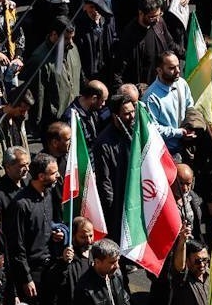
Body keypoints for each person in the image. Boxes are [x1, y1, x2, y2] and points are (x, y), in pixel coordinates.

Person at [3, 152, 61, 305]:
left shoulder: (48, 195)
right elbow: (17, 246)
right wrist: (26, 278)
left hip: (49, 267)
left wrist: (54, 233)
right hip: (31, 272)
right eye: (54, 173)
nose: (58, 175)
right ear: (41, 176)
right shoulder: (21, 205)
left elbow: (43, 226)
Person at [22, 16, 81, 135]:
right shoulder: (39, 60)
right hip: (53, 122)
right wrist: (36, 125)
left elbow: (78, 74)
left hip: (73, 114)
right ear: (54, 34)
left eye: (72, 38)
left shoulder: (71, 48)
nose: (70, 42)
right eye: (66, 38)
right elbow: (37, 95)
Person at [42, 216, 95, 305]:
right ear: (73, 236)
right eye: (83, 237)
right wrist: (63, 263)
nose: (88, 240)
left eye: (91, 236)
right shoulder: (67, 258)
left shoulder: (96, 255)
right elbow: (52, 284)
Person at [73, 238, 134, 305]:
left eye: (117, 260)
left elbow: (125, 301)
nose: (117, 266)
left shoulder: (117, 274)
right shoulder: (84, 288)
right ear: (97, 262)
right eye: (112, 262)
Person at [93, 94, 136, 242]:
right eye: (127, 114)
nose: (132, 116)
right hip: (118, 205)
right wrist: (113, 210)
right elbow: (104, 181)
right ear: (115, 116)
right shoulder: (104, 143)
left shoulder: (135, 133)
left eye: (133, 111)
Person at [119, 0, 182, 86]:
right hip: (145, 87)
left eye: (159, 15)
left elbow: (170, 44)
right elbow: (121, 66)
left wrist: (187, 54)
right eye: (152, 17)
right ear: (141, 13)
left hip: (163, 82)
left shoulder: (159, 23)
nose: (157, 20)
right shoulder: (130, 34)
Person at [141, 51, 195, 158]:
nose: (178, 70)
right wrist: (179, 132)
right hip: (167, 153)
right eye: (172, 68)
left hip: (186, 146)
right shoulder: (151, 98)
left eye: (178, 66)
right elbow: (153, 129)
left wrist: (191, 125)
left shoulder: (181, 84)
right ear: (159, 70)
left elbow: (190, 106)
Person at [170, 234, 210, 305]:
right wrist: (182, 241)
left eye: (205, 260)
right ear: (187, 261)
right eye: (197, 261)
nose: (202, 265)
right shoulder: (183, 280)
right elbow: (179, 267)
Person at [61, 80, 109, 146]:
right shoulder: (71, 118)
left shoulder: (93, 110)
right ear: (94, 99)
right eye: (102, 101)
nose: (104, 104)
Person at [0, 146, 30, 218]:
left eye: (27, 164)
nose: (27, 169)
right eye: (22, 166)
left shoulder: (29, 180)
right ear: (8, 167)